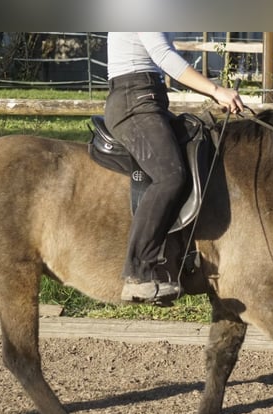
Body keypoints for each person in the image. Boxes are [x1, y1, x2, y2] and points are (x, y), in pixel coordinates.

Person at [104, 32, 244, 304]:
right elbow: (164, 56)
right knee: (170, 176)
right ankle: (138, 273)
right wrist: (215, 90)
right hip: (134, 100)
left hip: (148, 97)